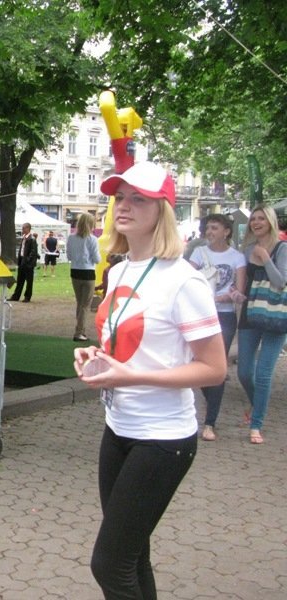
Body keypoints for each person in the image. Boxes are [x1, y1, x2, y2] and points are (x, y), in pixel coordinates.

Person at [72, 161, 226, 599]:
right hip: (118, 428)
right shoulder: (120, 270)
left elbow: (214, 369)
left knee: (109, 564)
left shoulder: (184, 281)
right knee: (132, 557)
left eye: (139, 198)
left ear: (164, 211)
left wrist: (131, 375)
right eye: (120, 197)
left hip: (163, 439)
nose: (124, 206)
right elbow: (130, 344)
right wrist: (97, 355)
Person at [187, 213, 246, 441]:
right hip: (199, 314)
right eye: (208, 228)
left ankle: (210, 423)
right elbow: (186, 281)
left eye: (215, 228)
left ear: (226, 231)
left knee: (217, 367)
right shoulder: (199, 253)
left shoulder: (237, 257)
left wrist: (226, 297)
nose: (210, 232)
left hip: (224, 316)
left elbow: (239, 290)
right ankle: (208, 406)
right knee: (196, 363)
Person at [236, 204, 287, 444]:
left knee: (263, 373)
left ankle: (256, 424)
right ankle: (257, 405)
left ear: (270, 221)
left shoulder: (282, 248)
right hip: (250, 312)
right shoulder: (246, 250)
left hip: (275, 314)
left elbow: (280, 281)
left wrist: (266, 258)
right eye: (253, 219)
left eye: (261, 218)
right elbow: (244, 282)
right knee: (244, 372)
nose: (256, 222)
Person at [66, 213, 101, 342]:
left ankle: (81, 330)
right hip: (88, 273)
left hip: (75, 272)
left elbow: (69, 256)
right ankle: (79, 332)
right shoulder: (93, 239)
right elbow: (97, 259)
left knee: (80, 303)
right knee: (85, 305)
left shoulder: (71, 238)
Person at [9, 223, 38, 302]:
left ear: (28, 228)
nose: (22, 230)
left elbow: (33, 252)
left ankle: (27, 296)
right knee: (20, 280)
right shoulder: (24, 238)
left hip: (28, 263)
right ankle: (16, 296)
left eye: (24, 228)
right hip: (22, 260)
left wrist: (28, 260)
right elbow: (22, 250)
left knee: (29, 281)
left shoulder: (32, 239)